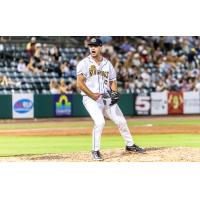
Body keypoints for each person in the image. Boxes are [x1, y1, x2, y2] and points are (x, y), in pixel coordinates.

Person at [76, 38, 145, 161]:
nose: (92, 48)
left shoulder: (107, 64)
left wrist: (113, 93)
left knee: (121, 121)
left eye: (95, 46)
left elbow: (113, 81)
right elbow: (80, 83)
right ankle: (95, 150)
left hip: (106, 97)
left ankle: (130, 145)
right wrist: (92, 95)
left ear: (101, 47)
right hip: (90, 99)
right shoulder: (84, 63)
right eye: (91, 46)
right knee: (100, 122)